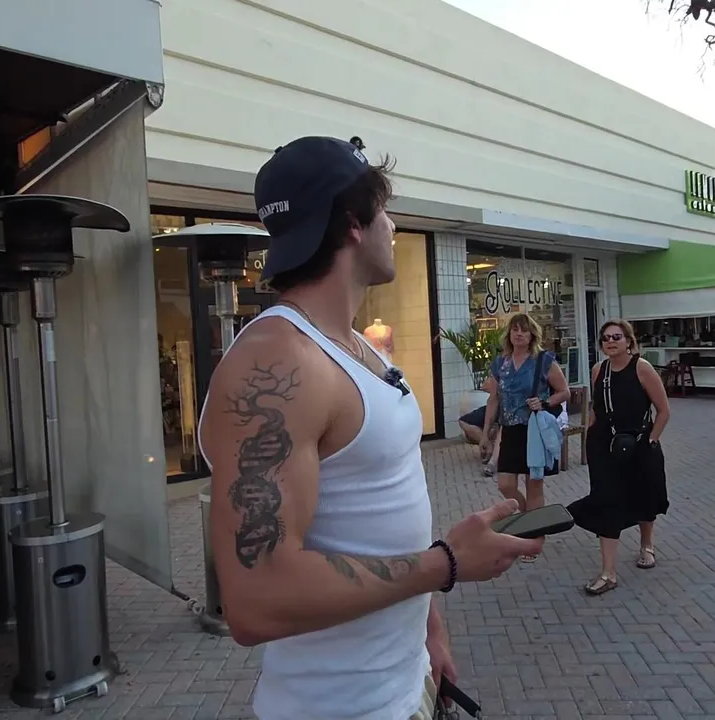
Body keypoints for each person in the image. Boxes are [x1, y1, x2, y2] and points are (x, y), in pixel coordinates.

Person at [198, 136, 541, 720]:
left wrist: (429, 631)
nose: (394, 226)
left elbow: (378, 517)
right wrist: (447, 562)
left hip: (406, 684)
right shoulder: (278, 362)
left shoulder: (355, 346)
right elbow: (256, 601)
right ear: (354, 223)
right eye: (384, 211)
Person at [568, 320, 670, 595]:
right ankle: (608, 572)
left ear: (628, 341)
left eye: (616, 337)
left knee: (646, 495)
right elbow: (597, 409)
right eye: (605, 338)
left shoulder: (642, 368)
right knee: (606, 502)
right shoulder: (598, 370)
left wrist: (651, 441)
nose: (610, 342)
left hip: (638, 443)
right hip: (605, 446)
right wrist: (590, 438)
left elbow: (663, 410)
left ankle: (646, 545)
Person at [479, 313, 571, 563]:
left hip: (533, 431)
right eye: (515, 330)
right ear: (509, 334)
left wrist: (544, 402)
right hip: (510, 430)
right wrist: (486, 433)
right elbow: (493, 399)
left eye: (524, 330)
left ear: (532, 335)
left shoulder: (543, 360)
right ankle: (531, 518)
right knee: (505, 485)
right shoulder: (501, 363)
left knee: (534, 486)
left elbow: (564, 392)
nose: (519, 334)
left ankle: (533, 540)